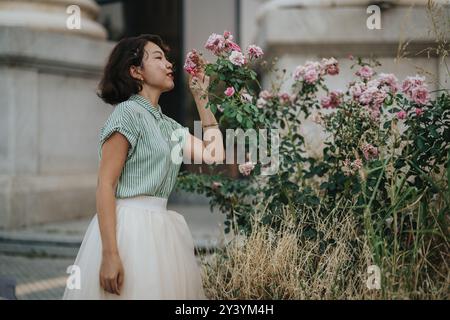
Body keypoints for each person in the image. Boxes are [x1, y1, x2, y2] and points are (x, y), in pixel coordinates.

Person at [63, 34, 224, 299]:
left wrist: (202, 98)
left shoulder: (169, 126)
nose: (169, 64)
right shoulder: (127, 113)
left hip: (161, 232)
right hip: (129, 230)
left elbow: (214, 155)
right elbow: (105, 185)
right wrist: (110, 254)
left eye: (167, 58)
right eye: (158, 58)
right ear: (136, 71)